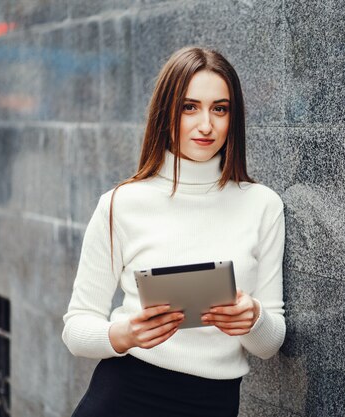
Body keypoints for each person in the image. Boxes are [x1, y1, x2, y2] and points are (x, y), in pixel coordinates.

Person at [62, 46, 286, 417]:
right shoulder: (122, 203)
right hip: (125, 394)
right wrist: (124, 335)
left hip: (214, 403)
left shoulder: (263, 204)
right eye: (189, 107)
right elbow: (76, 328)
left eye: (220, 108)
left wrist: (254, 318)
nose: (206, 125)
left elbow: (270, 343)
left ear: (234, 118)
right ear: (167, 112)